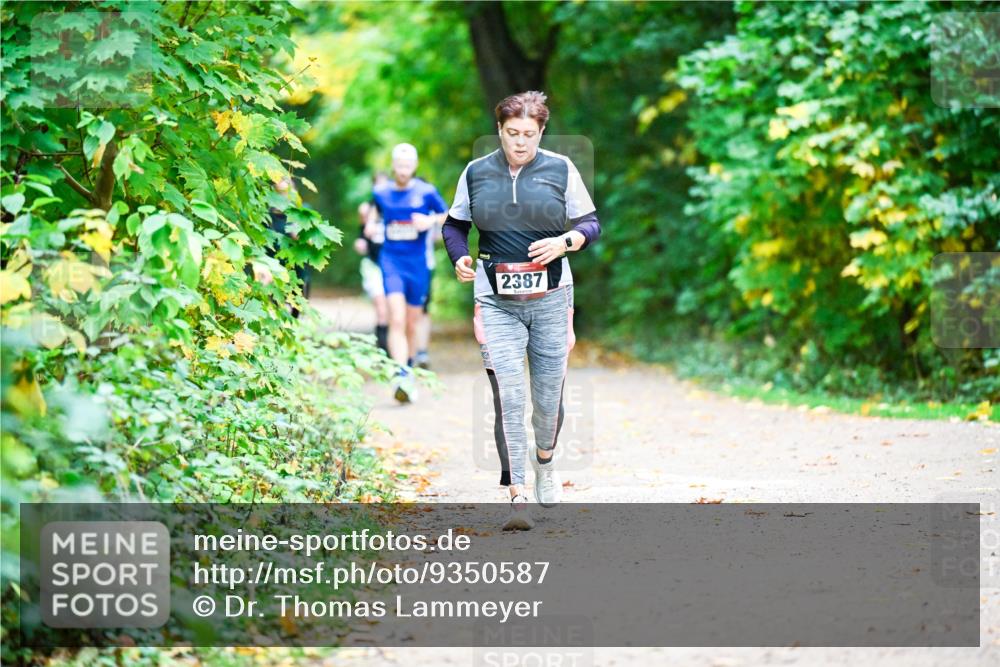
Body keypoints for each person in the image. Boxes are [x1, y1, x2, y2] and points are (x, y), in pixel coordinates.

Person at [442, 91, 601, 530]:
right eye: (512, 133)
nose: (520, 142)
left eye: (529, 134)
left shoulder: (560, 169)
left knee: (547, 402)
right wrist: (459, 256)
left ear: (541, 132)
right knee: (509, 396)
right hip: (495, 300)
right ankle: (518, 496)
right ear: (499, 131)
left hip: (552, 298)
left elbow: (591, 224)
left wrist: (565, 242)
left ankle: (545, 464)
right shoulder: (476, 173)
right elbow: (455, 225)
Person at [372, 143, 449, 403]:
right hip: (391, 260)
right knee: (395, 318)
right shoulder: (380, 192)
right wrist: (372, 228)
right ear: (393, 165)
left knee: (411, 324)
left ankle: (410, 369)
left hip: (418, 264)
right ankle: (401, 374)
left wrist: (429, 221)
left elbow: (449, 215)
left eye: (408, 165)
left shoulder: (426, 192)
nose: (403, 169)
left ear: (414, 166)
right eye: (399, 164)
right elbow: (372, 217)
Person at [355, 172, 389, 354]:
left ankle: (393, 348)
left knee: (393, 309)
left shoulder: (395, 207)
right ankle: (383, 351)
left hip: (393, 263)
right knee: (382, 308)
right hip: (373, 263)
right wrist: (361, 241)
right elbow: (361, 235)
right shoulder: (366, 209)